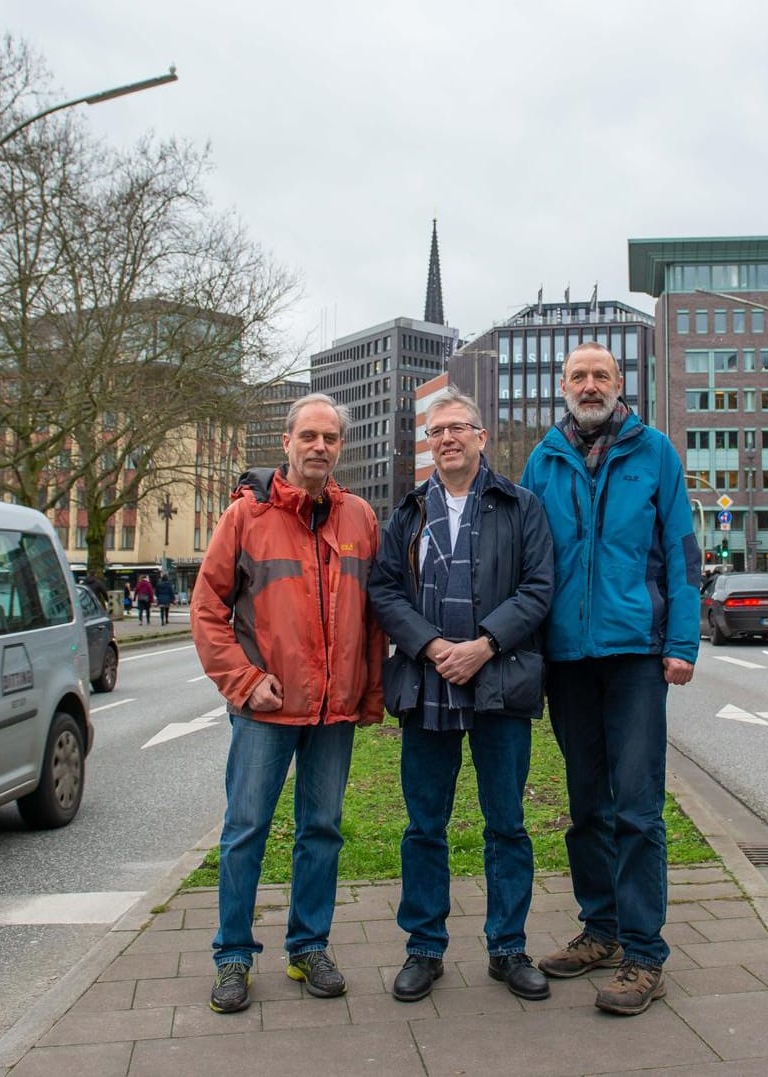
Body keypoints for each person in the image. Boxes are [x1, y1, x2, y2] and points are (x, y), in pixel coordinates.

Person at [520, 341, 700, 1016]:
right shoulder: (543, 459)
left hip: (635, 653)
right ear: (561, 385)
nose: (589, 385)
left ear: (619, 384)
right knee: (586, 804)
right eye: (578, 376)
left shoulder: (653, 452)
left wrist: (682, 641)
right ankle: (600, 930)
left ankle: (644, 951)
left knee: (637, 807)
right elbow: (528, 561)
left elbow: (682, 550)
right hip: (567, 656)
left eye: (600, 375)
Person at [192, 392, 384, 1014]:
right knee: (246, 830)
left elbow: (374, 620)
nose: (319, 447)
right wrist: (246, 682)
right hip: (264, 711)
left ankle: (308, 947)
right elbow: (207, 611)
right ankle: (233, 958)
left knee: (321, 832)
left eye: (329, 438)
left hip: (333, 712)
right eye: (308, 436)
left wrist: (368, 693)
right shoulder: (246, 517)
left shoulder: (359, 519)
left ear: (340, 446)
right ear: (287, 442)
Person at [367, 390, 555, 1004]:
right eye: (436, 431)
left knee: (507, 824)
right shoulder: (408, 513)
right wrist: (428, 646)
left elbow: (538, 588)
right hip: (427, 688)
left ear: (481, 436)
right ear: (429, 443)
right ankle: (424, 948)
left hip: (500, 683)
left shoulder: (519, 505)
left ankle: (508, 948)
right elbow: (385, 591)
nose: (447, 438)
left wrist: (484, 644)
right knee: (425, 826)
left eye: (458, 428)